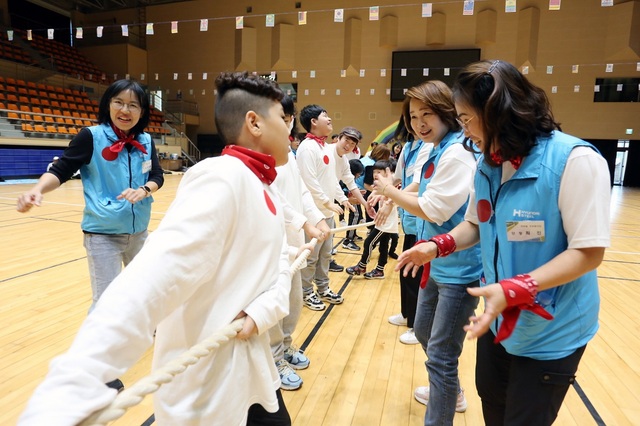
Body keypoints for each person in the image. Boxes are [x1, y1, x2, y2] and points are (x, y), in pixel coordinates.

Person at [19, 72, 297, 425]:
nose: (290, 128)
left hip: (253, 369)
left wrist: (264, 310)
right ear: (254, 122)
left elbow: (279, 265)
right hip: (209, 385)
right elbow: (149, 284)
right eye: (283, 119)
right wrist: (72, 386)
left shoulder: (263, 185)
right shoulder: (221, 177)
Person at [398, 60, 611, 425]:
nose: (463, 130)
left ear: (496, 111)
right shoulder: (488, 163)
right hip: (498, 321)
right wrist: (437, 246)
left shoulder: (574, 161)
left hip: (551, 331)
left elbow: (588, 252)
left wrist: (517, 287)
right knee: (493, 408)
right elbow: (474, 225)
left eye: (466, 119)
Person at [372, 80, 482, 425]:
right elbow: (419, 185)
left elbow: (432, 208)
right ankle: (452, 389)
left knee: (440, 355)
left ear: (448, 112)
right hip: (435, 260)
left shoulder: (459, 151)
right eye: (414, 116)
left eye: (427, 114)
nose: (419, 123)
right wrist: (389, 199)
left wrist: (389, 189)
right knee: (422, 331)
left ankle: (446, 402)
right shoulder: (435, 147)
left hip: (459, 268)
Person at [17, 79, 164, 314]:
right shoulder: (90, 137)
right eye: (119, 102)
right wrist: (37, 190)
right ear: (108, 105)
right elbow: (60, 170)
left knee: (145, 290)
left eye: (133, 105)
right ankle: (97, 348)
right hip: (103, 235)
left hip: (139, 233)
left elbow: (157, 175)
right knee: (106, 302)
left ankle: (149, 330)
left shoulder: (146, 141)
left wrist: (145, 189)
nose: (125, 110)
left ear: (142, 111)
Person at [270, 95, 330, 391]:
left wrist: (317, 218)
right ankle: (273, 359)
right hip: (273, 246)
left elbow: (302, 192)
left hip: (295, 244)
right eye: (278, 116)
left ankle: (286, 345)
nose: (284, 122)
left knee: (293, 303)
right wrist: (304, 223)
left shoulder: (288, 153)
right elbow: (275, 199)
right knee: (275, 305)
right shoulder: (262, 155)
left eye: (287, 117)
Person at [296, 104, 352, 310]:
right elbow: (308, 182)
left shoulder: (324, 147)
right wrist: (326, 201)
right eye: (325, 116)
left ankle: (323, 287)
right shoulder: (306, 148)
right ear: (313, 122)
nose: (329, 120)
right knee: (310, 257)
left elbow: (331, 180)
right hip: (312, 215)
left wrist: (341, 198)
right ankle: (306, 292)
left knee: (325, 256)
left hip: (327, 214)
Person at [383, 117, 433, 344]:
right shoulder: (408, 147)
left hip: (421, 218)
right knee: (405, 271)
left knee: (415, 274)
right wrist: (387, 193)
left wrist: (391, 198)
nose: (418, 125)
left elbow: (419, 183)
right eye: (412, 119)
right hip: (409, 218)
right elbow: (398, 179)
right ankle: (406, 314)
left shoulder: (429, 146)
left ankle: (416, 324)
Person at [346, 159, 398, 279]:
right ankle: (380, 271)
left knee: (369, 242)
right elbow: (373, 193)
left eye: (379, 172)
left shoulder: (392, 184)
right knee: (383, 247)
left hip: (385, 223)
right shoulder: (379, 183)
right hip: (383, 221)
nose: (375, 174)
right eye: (375, 171)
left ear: (387, 172)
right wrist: (369, 201)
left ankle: (362, 265)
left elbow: (394, 198)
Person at [331, 127, 376, 252]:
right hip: (314, 203)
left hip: (327, 203)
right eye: (346, 140)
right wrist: (344, 198)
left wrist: (366, 204)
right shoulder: (326, 153)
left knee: (328, 236)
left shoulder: (344, 160)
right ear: (339, 138)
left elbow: (350, 183)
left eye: (352, 144)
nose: (348, 145)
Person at [340, 158, 365, 251]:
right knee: (355, 215)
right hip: (347, 199)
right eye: (358, 173)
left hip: (351, 198)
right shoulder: (344, 178)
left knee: (357, 215)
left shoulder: (351, 178)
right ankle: (348, 240)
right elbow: (343, 191)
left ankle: (353, 234)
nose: (359, 176)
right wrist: (349, 195)